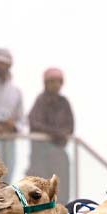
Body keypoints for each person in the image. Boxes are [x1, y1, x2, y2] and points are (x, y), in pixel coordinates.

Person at [27, 67, 74, 202]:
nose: (55, 85)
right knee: (40, 192)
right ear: (46, 83)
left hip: (59, 155)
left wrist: (60, 134)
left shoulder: (64, 103)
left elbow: (70, 127)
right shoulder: (40, 101)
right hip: (40, 156)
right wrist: (55, 133)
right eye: (51, 81)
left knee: (61, 192)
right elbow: (34, 123)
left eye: (58, 81)